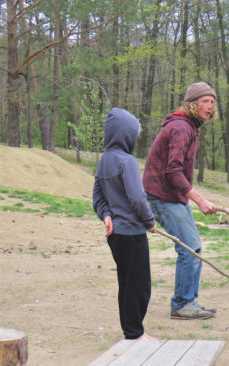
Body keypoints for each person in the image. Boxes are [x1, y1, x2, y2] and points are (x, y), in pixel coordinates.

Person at [142, 82, 218, 320]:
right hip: (161, 195)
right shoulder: (182, 128)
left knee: (194, 247)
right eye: (205, 101)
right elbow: (172, 171)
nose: (210, 106)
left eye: (212, 102)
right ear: (192, 104)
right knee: (189, 249)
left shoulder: (189, 126)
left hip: (171, 195)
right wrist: (198, 199)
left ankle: (189, 301)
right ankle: (182, 305)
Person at [92, 108, 158, 340]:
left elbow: (98, 197)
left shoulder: (104, 160)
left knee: (127, 282)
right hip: (132, 234)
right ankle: (134, 333)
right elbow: (138, 198)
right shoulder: (126, 161)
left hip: (116, 235)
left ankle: (132, 330)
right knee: (139, 286)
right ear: (125, 134)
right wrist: (150, 222)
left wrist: (106, 215)